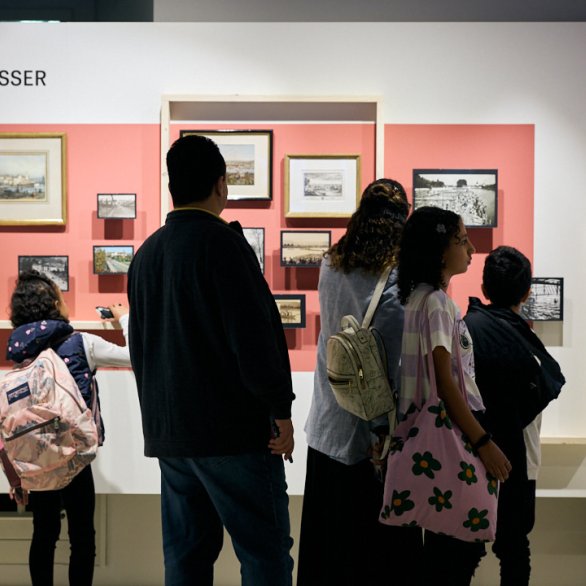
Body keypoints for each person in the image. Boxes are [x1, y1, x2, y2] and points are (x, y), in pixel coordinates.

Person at [127, 134, 295, 586]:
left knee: (186, 558)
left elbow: (140, 347)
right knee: (264, 553)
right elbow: (254, 340)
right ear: (222, 184)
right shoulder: (223, 245)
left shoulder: (145, 256)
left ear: (172, 186)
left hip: (173, 436)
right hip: (233, 433)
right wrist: (281, 409)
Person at [298, 178, 421, 586]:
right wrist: (381, 432)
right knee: (377, 556)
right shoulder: (399, 277)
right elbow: (389, 361)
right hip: (374, 434)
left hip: (329, 420)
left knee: (329, 548)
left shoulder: (332, 263)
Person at [396, 206, 511, 586]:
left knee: (442, 552)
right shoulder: (438, 305)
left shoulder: (417, 299)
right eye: (462, 240)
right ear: (441, 250)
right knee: (458, 552)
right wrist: (483, 441)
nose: (471, 248)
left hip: (424, 437)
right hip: (451, 438)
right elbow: (447, 384)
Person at [6, 270, 130, 586]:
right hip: (75, 459)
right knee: (82, 537)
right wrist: (124, 318)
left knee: (44, 532)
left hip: (37, 460)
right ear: (54, 305)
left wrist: (14, 474)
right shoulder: (80, 343)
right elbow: (134, 355)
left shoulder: (19, 351)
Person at [464, 246, 565, 586]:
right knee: (515, 550)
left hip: (469, 455)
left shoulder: (466, 329)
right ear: (526, 292)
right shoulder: (526, 342)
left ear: (485, 288)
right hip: (520, 460)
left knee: (461, 553)